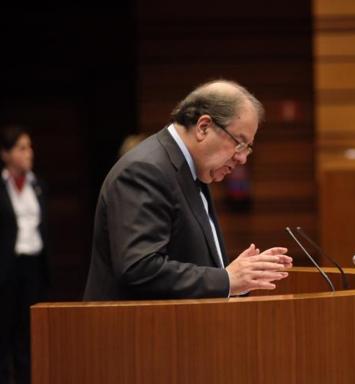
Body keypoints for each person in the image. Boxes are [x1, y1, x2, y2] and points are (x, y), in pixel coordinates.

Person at [84, 80, 292, 300]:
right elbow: (140, 268)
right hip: (134, 330)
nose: (242, 158)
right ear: (203, 127)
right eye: (239, 143)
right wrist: (226, 279)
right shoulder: (145, 170)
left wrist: (242, 275)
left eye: (247, 148)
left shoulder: (193, 170)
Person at [0, 125, 49, 384]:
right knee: (5, 331)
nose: (29, 153)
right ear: (5, 154)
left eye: (29, 147)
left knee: (28, 333)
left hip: (33, 265)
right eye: (21, 148)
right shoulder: (3, 185)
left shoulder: (37, 184)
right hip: (7, 269)